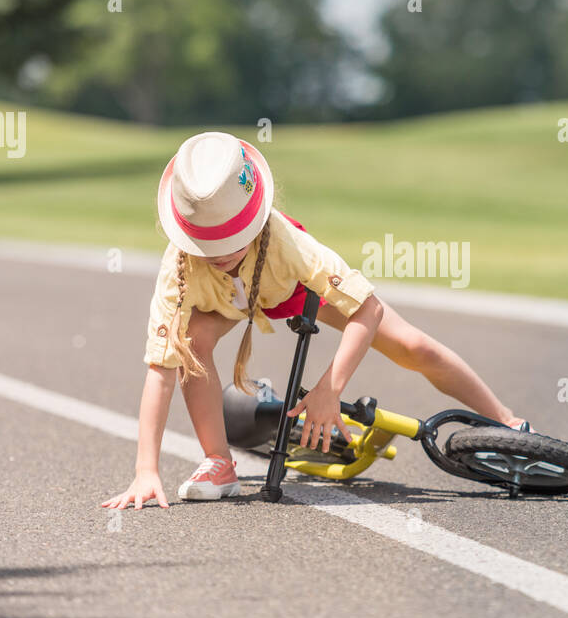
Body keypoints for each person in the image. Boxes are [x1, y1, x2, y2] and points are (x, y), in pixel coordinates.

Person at [102, 132, 530, 508]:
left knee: (413, 347)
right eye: (207, 246)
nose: (219, 255)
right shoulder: (178, 267)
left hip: (292, 290)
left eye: (230, 243)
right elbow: (161, 368)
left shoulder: (288, 243)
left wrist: (329, 389)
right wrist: (146, 470)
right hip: (226, 304)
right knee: (191, 341)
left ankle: (510, 424)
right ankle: (219, 462)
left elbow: (368, 308)